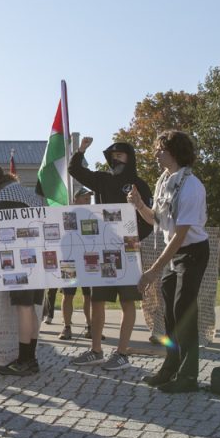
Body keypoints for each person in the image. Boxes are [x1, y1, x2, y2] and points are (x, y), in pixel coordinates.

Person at [128, 131, 208, 394]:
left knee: (184, 311)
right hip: (175, 251)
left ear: (175, 152)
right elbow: (157, 220)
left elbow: (181, 234)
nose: (156, 153)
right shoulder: (165, 181)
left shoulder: (191, 186)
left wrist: (153, 270)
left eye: (161, 149)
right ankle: (170, 367)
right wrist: (140, 205)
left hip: (192, 252)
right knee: (170, 314)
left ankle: (188, 376)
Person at [69, 138, 154, 369]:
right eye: (113, 156)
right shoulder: (103, 180)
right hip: (103, 251)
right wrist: (81, 150)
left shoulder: (140, 185)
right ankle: (95, 350)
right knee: (97, 300)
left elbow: (149, 220)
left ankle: (122, 353)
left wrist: (134, 239)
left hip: (128, 252)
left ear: (130, 157)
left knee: (128, 302)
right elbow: (74, 169)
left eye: (120, 155)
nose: (116, 159)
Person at [0, 161, 44, 376]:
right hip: (39, 258)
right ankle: (31, 358)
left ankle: (23, 360)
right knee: (32, 308)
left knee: (24, 308)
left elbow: (4, 234)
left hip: (20, 259)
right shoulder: (24, 192)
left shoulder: (2, 197)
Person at [52, 189, 97, 342]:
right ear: (75, 199)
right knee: (68, 295)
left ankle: (91, 327)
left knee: (89, 295)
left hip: (89, 260)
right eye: (85, 198)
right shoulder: (65, 214)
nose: (88, 201)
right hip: (69, 260)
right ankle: (67, 327)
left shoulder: (93, 215)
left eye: (89, 199)